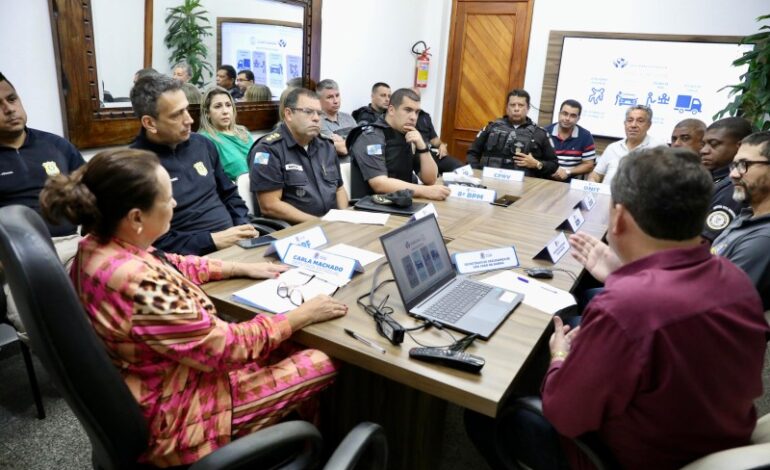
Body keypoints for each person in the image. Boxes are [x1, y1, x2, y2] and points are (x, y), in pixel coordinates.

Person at [39, 148, 347, 467]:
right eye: (167, 198)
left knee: (292, 341)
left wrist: (234, 268)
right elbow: (228, 348)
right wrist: (302, 314)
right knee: (326, 358)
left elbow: (169, 262)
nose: (174, 204)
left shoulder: (96, 246)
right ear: (136, 217)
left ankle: (297, 442)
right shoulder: (138, 283)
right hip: (187, 413)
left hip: (166, 376)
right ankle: (316, 451)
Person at [467, 146, 768, 470]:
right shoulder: (736, 281)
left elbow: (564, 415)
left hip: (629, 458)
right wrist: (622, 275)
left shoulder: (626, 307)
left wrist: (558, 357)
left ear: (619, 217)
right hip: (715, 439)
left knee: (482, 413)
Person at [129, 74, 257, 256]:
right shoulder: (134, 166)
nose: (189, 120)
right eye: (176, 115)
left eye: (186, 110)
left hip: (236, 243)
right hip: (190, 260)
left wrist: (243, 226)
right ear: (150, 123)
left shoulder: (202, 144)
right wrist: (212, 241)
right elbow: (151, 242)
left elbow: (229, 194)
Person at [0, 71, 86, 333]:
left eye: (12, 99)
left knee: (111, 298)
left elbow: (92, 194)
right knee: (47, 329)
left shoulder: (56, 146)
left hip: (75, 245)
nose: (9, 109)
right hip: (18, 259)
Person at [249, 88, 348, 224]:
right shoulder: (268, 150)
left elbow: (339, 188)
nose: (316, 118)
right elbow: (270, 206)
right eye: (308, 112)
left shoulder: (326, 146)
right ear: (289, 114)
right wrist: (319, 223)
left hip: (332, 225)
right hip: (297, 230)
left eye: (319, 113)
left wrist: (345, 219)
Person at [347, 88, 450, 201]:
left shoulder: (407, 134)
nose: (413, 117)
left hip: (403, 201)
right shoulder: (370, 137)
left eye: (417, 112)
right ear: (391, 110)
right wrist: (425, 191)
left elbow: (430, 180)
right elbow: (380, 184)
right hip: (374, 206)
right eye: (408, 110)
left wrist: (422, 147)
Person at [711, 130, 770, 310]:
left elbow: (717, 304)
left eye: (744, 165)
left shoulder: (764, 238)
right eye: (734, 165)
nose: (734, 175)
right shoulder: (748, 216)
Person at [466, 89, 558, 179]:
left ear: (528, 108)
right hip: (490, 181)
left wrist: (537, 164)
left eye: (521, 105)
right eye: (512, 105)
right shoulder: (491, 128)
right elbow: (472, 154)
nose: (516, 109)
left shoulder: (540, 133)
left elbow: (554, 164)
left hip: (524, 187)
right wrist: (477, 174)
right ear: (507, 108)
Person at [700, 117, 753, 242]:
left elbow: (705, 241)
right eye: (703, 144)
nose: (704, 151)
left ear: (740, 146)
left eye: (714, 144)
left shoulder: (735, 184)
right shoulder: (711, 175)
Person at [588, 105, 665, 186]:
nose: (633, 125)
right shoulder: (613, 147)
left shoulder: (659, 148)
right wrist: (592, 181)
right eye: (630, 120)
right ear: (625, 124)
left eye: (640, 121)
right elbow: (596, 174)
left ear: (649, 125)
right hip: (607, 197)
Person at [198, 87, 253, 181]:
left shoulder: (244, 133)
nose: (225, 111)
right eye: (218, 106)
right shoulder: (204, 140)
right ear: (207, 112)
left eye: (228, 105)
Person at [411, 87, 464, 173]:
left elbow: (435, 141)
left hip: (429, 153)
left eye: (417, 98)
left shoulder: (424, 117)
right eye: (412, 98)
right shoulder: (403, 116)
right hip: (414, 155)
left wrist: (442, 146)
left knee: (459, 167)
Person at [545, 99, 596, 181]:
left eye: (572, 115)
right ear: (559, 114)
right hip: (544, 179)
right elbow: (537, 159)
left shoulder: (585, 136)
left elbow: (589, 165)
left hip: (570, 182)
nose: (567, 118)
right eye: (564, 114)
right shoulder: (544, 132)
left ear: (578, 118)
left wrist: (567, 172)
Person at [316, 79, 357, 158]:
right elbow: (343, 149)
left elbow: (363, 143)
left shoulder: (348, 117)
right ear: (319, 101)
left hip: (356, 165)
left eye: (337, 95)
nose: (336, 101)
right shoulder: (317, 121)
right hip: (335, 167)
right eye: (330, 97)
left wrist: (342, 140)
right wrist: (352, 141)